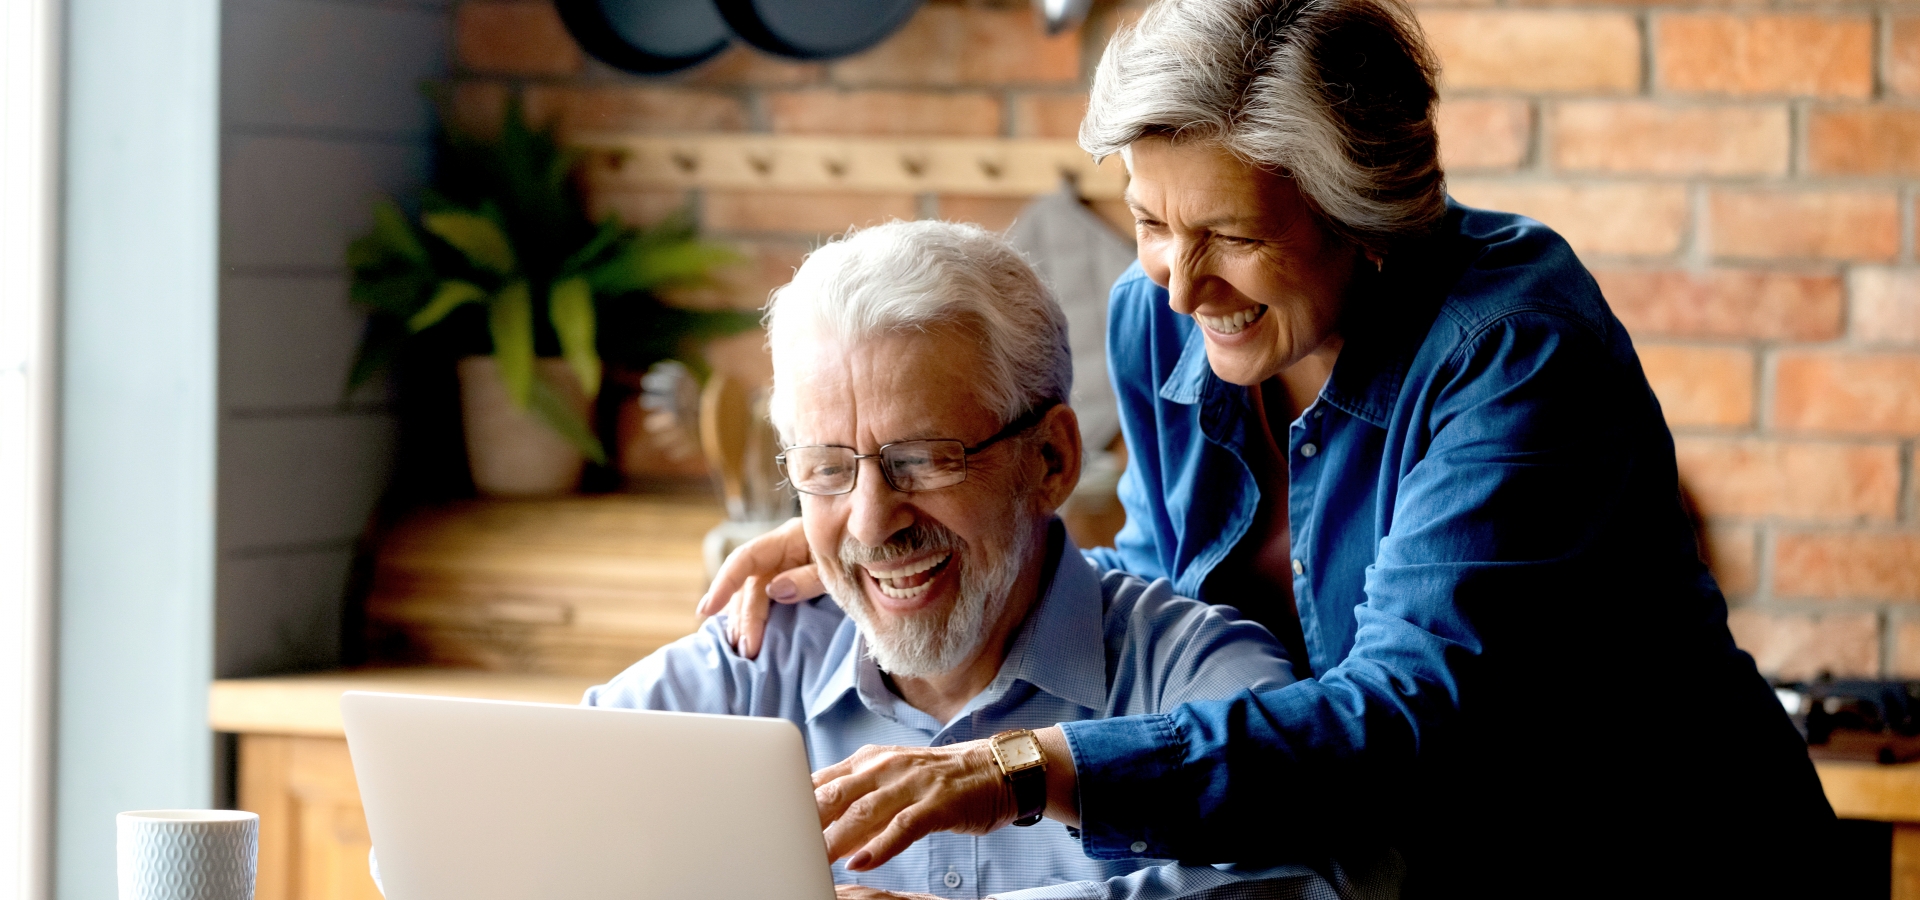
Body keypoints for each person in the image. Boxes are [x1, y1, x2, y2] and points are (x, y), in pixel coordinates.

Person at [699, 0, 1837, 895]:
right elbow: (1146, 584)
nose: (1182, 281)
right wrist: (888, 536)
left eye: (1232, 235)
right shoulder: (1162, 319)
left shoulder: (1513, 347)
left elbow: (1402, 719)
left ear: (1363, 215)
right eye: (1150, 222)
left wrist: (1017, 772)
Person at [590, 220, 1392, 900]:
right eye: (829, 469)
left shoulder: (1195, 676)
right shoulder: (752, 666)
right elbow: (523, 807)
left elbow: (1318, 882)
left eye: (926, 460)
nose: (873, 523)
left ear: (1050, 460)